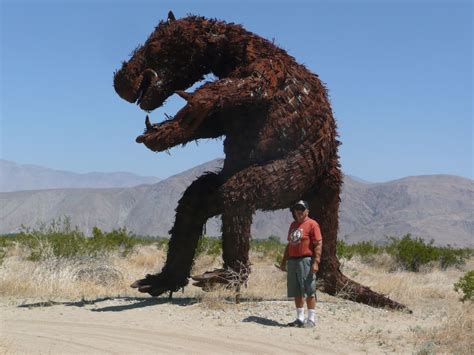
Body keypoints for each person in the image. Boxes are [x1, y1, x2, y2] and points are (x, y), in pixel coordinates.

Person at [279, 200, 323, 328]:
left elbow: (318, 244)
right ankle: (299, 318)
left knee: (309, 289)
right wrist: (284, 261)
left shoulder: (312, 224)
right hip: (293, 261)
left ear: (307, 211)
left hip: (305, 260)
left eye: (302, 209)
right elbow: (289, 244)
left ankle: (311, 319)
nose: (299, 211)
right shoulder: (293, 225)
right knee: (296, 290)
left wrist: (316, 262)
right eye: (296, 209)